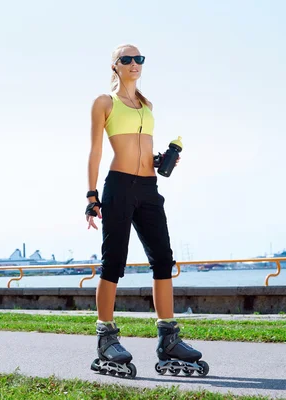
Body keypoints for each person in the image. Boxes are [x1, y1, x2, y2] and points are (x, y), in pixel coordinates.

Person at [86, 44, 203, 377]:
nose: (134, 63)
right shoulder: (104, 103)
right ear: (115, 66)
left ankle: (169, 338)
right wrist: (91, 195)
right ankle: (106, 338)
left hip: (149, 187)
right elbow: (95, 150)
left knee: (163, 260)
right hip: (119, 186)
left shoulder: (146, 105)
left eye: (139, 59)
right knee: (113, 262)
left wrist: (159, 161)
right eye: (127, 59)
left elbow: (143, 148)